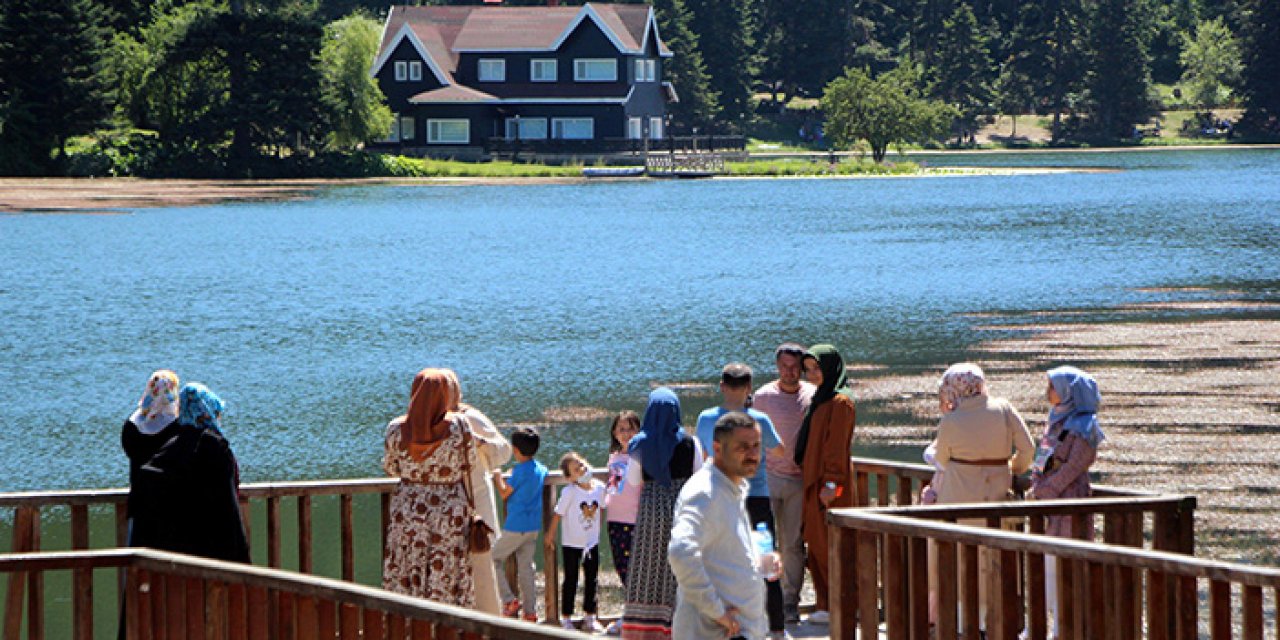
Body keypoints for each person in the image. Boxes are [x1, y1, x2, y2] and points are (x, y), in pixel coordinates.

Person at [928, 362, 1035, 629]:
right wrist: (1011, 468)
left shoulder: (951, 420)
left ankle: (964, 625)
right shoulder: (1003, 409)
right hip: (997, 492)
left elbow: (941, 458)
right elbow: (1028, 448)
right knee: (995, 557)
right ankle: (996, 623)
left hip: (958, 497)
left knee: (961, 558)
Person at [695, 363, 788, 639]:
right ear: (749, 389)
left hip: (720, 500)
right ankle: (778, 628)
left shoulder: (706, 418)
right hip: (756, 496)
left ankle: (726, 624)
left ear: (722, 386)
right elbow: (781, 451)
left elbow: (702, 455)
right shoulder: (758, 420)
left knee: (722, 561)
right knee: (766, 562)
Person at [669, 411, 769, 640]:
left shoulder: (732, 487)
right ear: (717, 448)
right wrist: (717, 612)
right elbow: (681, 552)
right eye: (743, 447)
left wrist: (758, 558)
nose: (754, 455)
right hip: (716, 632)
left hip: (742, 631)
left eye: (757, 445)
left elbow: (720, 546)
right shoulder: (705, 492)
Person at [382, 368, 476, 607]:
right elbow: (469, 463)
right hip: (449, 512)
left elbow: (391, 467)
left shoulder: (396, 428)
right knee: (446, 568)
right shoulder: (459, 427)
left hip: (408, 509)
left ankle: (407, 625)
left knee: (406, 564)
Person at [128, 381, 250, 563]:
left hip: (168, 560)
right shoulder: (214, 448)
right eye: (216, 412)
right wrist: (243, 562)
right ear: (206, 412)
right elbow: (228, 510)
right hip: (209, 558)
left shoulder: (168, 449)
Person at [620, 387, 703, 640]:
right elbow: (699, 476)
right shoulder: (690, 442)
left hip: (652, 513)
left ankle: (644, 629)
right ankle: (678, 626)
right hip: (682, 509)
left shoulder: (640, 444)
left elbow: (633, 481)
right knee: (680, 568)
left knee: (647, 568)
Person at [1030, 366, 1105, 637]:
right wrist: (1036, 482)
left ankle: (1066, 626)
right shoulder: (1054, 421)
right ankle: (1039, 623)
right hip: (1049, 500)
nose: (1047, 392)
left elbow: (1075, 466)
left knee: (1069, 562)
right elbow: (1043, 457)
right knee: (1048, 560)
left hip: (1071, 500)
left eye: (1052, 387)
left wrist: (1048, 489)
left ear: (1067, 392)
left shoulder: (1085, 427)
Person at [792, 344, 856, 625]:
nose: (811, 374)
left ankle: (841, 604)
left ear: (830, 368)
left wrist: (832, 483)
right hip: (812, 482)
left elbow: (836, 448)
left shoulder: (840, 402)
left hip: (828, 487)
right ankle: (825, 602)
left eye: (816, 368)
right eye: (808, 370)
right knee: (815, 544)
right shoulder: (821, 398)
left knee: (831, 545)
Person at [752, 343, 814, 624]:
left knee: (792, 544)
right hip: (768, 478)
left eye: (794, 367)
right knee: (763, 541)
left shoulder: (811, 396)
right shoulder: (763, 397)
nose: (790, 372)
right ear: (777, 366)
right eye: (785, 366)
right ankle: (764, 599)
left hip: (799, 479)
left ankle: (790, 602)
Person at [444, 370, 511, 616]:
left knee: (482, 561)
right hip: (447, 506)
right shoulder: (430, 420)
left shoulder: (470, 417)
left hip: (476, 503)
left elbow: (504, 451)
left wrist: (479, 441)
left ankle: (490, 617)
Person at [546, 452, 607, 633]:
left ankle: (590, 616)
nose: (582, 469)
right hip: (572, 544)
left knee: (592, 579)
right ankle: (566, 618)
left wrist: (597, 532)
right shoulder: (569, 492)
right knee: (571, 580)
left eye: (581, 464)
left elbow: (602, 509)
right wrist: (550, 535)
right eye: (576, 469)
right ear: (569, 477)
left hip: (591, 543)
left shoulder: (599, 488)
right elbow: (558, 514)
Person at [121, 370, 183, 548]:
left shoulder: (132, 425)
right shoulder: (177, 425)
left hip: (139, 500)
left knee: (138, 556)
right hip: (171, 504)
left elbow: (131, 452)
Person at [492, 427, 547, 622]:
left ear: (515, 450)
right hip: (532, 527)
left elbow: (504, 493)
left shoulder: (518, 471)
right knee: (526, 568)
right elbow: (526, 477)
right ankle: (530, 612)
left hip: (515, 526)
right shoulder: (540, 469)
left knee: (493, 558)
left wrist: (498, 476)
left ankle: (509, 601)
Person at [604, 411, 643, 635]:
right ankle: (629, 613)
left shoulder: (641, 456)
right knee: (621, 568)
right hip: (614, 518)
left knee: (633, 570)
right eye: (621, 429)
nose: (626, 433)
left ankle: (632, 614)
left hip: (634, 518)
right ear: (614, 432)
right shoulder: (614, 456)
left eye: (630, 428)